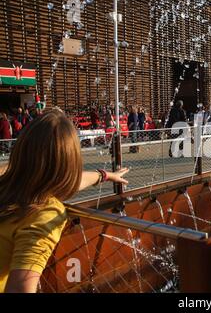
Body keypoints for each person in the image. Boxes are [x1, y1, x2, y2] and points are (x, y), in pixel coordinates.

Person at [0, 110, 129, 293]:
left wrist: (104, 175)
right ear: (71, 162)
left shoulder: (7, 181)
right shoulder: (45, 214)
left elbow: (65, 180)